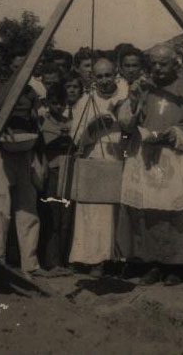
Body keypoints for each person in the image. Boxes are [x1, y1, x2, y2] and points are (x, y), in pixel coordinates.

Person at [118, 45, 183, 285]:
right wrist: (133, 99)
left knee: (177, 214)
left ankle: (177, 267)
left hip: (179, 158)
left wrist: (176, 134)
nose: (158, 68)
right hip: (149, 158)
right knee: (151, 211)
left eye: (163, 64)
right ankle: (153, 264)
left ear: (175, 64)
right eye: (154, 64)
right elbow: (126, 124)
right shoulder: (144, 87)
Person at [0, 58, 43, 275]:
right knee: (0, 207)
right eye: (16, 68)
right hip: (0, 151)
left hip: (25, 150)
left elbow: (35, 119)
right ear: (8, 69)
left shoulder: (30, 92)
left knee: (27, 206)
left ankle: (30, 264)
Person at [68, 58, 126, 276]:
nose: (104, 80)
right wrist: (93, 128)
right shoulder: (85, 101)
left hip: (119, 158)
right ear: (93, 77)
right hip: (94, 160)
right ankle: (94, 260)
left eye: (108, 75)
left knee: (116, 212)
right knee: (94, 212)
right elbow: (76, 139)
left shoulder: (124, 98)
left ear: (115, 74)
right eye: (99, 76)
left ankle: (117, 260)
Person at [37, 83, 75, 270]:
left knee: (66, 217)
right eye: (54, 103)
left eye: (62, 103)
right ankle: (50, 261)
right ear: (47, 102)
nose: (58, 107)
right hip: (51, 171)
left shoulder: (69, 122)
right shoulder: (43, 121)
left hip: (67, 171)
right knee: (52, 217)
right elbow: (43, 146)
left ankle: (63, 259)